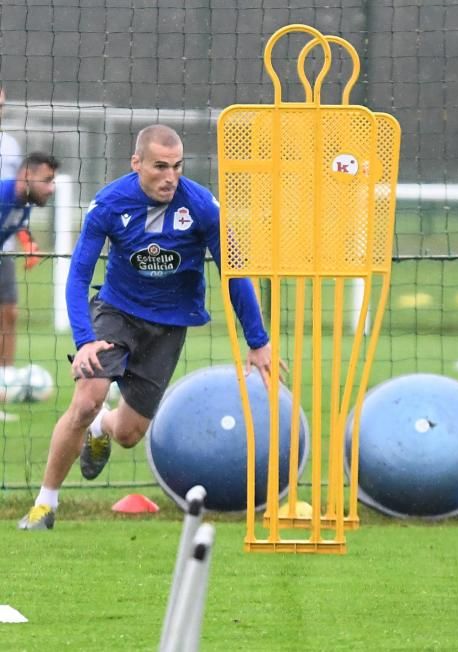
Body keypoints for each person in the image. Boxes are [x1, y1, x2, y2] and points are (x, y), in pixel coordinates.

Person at [18, 124, 274, 531]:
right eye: (159, 167)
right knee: (87, 399)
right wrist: (85, 341)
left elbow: (235, 274)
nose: (169, 177)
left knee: (129, 434)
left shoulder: (203, 207)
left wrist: (259, 341)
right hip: (116, 313)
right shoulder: (109, 203)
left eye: (176, 166)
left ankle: (104, 426)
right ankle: (44, 505)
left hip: (169, 327)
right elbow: (79, 275)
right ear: (136, 163)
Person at [0, 152, 60, 371]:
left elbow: (16, 223)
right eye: (46, 180)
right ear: (26, 175)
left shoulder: (25, 200)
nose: (51, 188)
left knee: (10, 313)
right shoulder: (2, 193)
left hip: (2, 255)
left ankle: (5, 376)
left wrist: (30, 244)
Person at [0, 87, 23, 370]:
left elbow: (20, 195)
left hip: (3, 245)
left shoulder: (11, 146)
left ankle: (5, 379)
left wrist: (23, 233)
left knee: (9, 313)